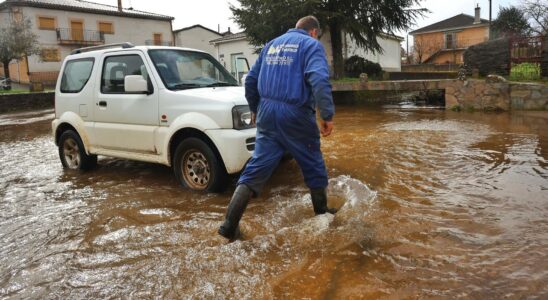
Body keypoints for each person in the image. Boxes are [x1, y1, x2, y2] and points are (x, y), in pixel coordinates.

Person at [218, 16, 336, 240]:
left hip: (266, 114)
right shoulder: (312, 45)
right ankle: (323, 216)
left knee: (256, 168)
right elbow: (319, 80)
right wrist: (327, 116)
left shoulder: (271, 45)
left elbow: (250, 80)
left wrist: (255, 108)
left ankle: (228, 225)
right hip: (296, 115)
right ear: (313, 32)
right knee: (312, 163)